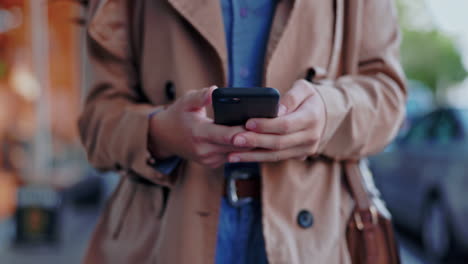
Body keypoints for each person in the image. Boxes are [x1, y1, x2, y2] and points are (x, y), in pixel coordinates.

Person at [78, 0, 407, 263]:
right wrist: (159, 132)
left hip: (310, 239)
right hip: (165, 234)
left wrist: (329, 111)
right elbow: (96, 121)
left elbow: (389, 97)